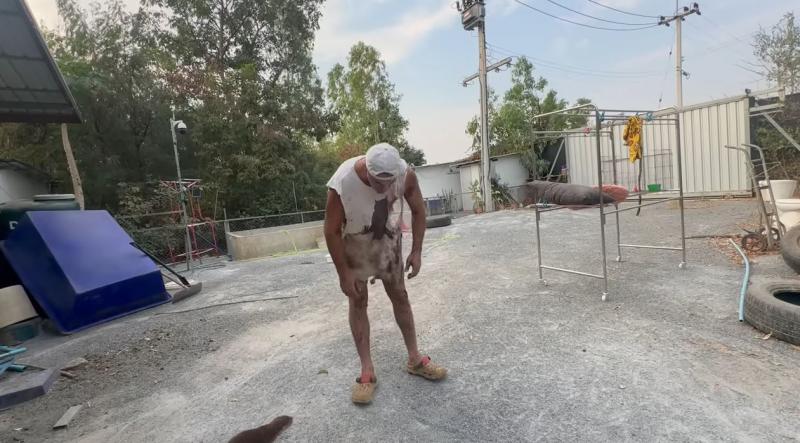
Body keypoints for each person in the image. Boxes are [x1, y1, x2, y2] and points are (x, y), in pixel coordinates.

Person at [324, 142, 447, 404]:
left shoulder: (405, 174)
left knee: (400, 296)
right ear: (366, 169)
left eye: (387, 183)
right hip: (355, 243)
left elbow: (418, 210)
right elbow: (331, 230)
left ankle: (414, 359)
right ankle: (367, 372)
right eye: (376, 182)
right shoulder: (343, 182)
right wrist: (343, 273)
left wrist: (417, 251)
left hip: (388, 242)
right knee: (358, 301)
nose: (382, 188)